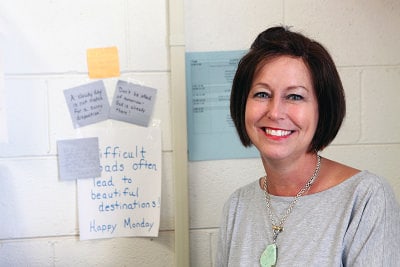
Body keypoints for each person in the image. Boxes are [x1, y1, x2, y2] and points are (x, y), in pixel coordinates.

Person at [216, 26, 400, 267]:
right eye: (262, 94)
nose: (275, 112)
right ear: (242, 105)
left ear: (322, 110)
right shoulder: (237, 206)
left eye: (295, 96)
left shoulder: (365, 198)